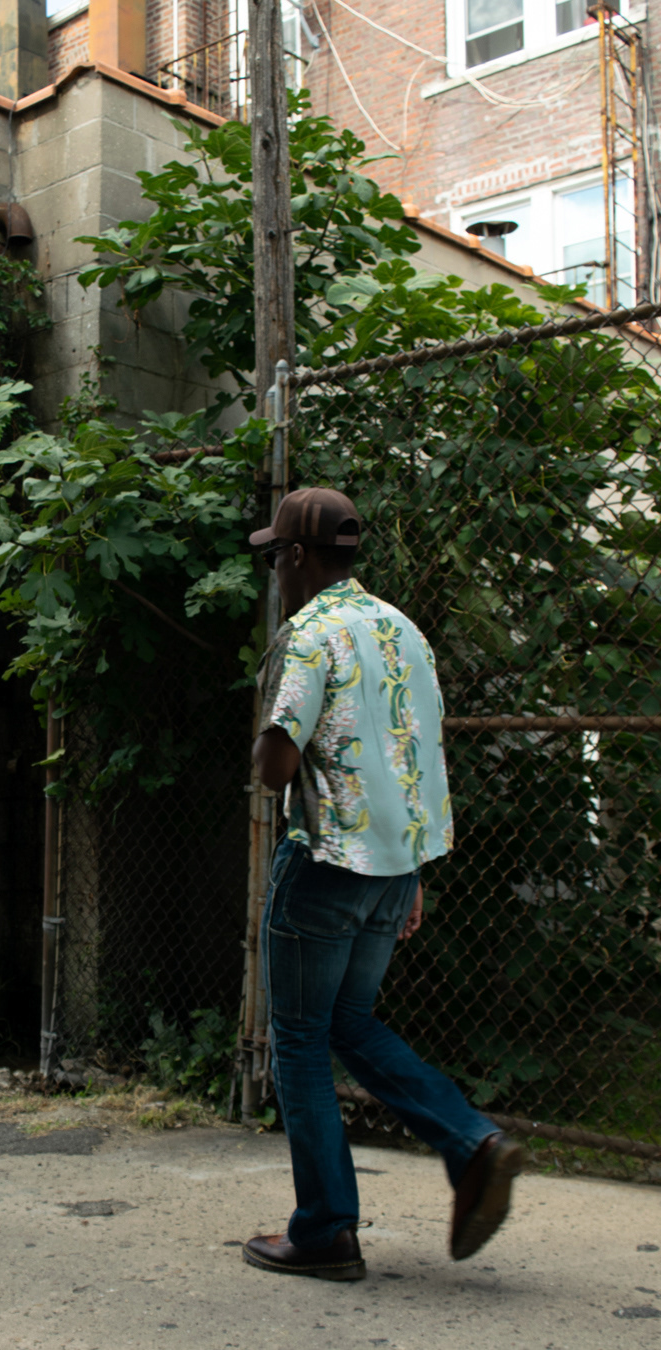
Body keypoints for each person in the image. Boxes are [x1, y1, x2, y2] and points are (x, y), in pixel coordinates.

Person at [243, 487, 523, 1282]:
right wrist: (412, 872)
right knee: (348, 1020)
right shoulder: (404, 630)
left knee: (300, 1039)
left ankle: (326, 1231)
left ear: (298, 557)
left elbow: (275, 768)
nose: (275, 572)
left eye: (276, 557)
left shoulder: (309, 635)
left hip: (327, 866)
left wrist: (267, 733)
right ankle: (472, 1141)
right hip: (397, 868)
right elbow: (418, 752)